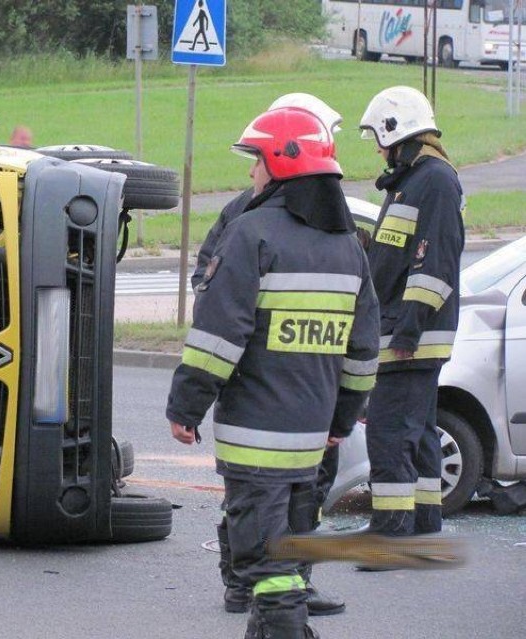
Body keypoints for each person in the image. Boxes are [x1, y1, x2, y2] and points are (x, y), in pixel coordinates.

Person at [166, 107, 379, 639]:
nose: (251, 175)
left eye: (255, 161)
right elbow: (363, 351)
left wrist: (185, 407)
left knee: (267, 566)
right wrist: (343, 419)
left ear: (281, 163)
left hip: (253, 441)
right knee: (285, 554)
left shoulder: (250, 234)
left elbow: (217, 339)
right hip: (311, 441)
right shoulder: (349, 246)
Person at [192, 93, 348, 617]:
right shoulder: (248, 219)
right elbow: (213, 296)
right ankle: (256, 585)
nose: (253, 171)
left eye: (256, 159)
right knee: (258, 509)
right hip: (289, 410)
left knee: (272, 506)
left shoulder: (331, 229)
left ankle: (277, 587)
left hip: (288, 413)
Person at [358, 86, 465, 544]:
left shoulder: (435, 180)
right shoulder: (413, 180)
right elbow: (399, 256)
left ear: (396, 129)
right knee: (417, 432)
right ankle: (423, 523)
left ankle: (390, 533)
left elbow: (435, 262)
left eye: (380, 138)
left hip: (409, 336)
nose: (379, 149)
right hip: (407, 332)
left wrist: (408, 329)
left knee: (387, 433)